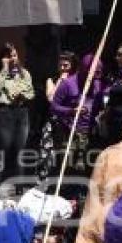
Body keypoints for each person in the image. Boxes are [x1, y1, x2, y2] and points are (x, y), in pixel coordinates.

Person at [0, 42, 35, 191]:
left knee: (20, 151)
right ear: (3, 58)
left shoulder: (24, 73)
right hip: (5, 112)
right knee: (2, 150)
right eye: (8, 56)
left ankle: (19, 188)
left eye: (14, 55)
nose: (12, 58)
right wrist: (4, 69)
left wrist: (23, 94)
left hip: (21, 112)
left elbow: (31, 92)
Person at [50, 53, 106, 175]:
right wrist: (71, 111)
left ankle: (81, 191)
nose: (95, 78)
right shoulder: (67, 84)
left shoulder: (98, 85)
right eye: (93, 74)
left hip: (90, 133)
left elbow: (100, 106)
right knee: (67, 166)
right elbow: (53, 107)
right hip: (69, 131)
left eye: (98, 74)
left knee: (87, 167)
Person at [37, 51, 78, 182]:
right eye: (60, 65)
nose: (62, 68)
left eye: (66, 65)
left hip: (69, 122)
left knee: (66, 153)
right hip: (52, 121)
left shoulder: (77, 80)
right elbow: (51, 98)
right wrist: (61, 81)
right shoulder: (52, 80)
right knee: (47, 152)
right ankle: (44, 179)